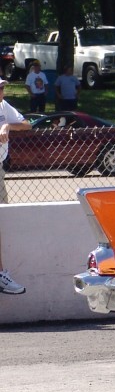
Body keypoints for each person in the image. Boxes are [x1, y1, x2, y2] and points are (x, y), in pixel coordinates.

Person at [0, 79, 31, 294]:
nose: (2, 91)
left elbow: (27, 124)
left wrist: (8, 125)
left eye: (2, 87)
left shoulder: (4, 106)